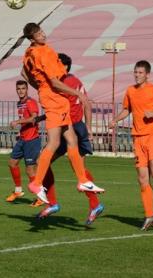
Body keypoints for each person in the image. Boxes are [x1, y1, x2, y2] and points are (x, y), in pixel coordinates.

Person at [21, 22, 104, 204]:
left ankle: (82, 181)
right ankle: (36, 183)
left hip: (54, 97)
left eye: (42, 30)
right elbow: (54, 82)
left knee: (71, 139)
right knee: (54, 142)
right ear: (32, 38)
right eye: (38, 33)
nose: (43, 34)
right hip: (54, 98)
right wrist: (77, 94)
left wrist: (40, 87)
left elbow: (24, 73)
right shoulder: (43, 53)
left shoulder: (30, 52)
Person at [36, 53, 104, 225]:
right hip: (69, 126)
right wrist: (87, 126)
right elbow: (85, 102)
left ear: (64, 66)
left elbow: (71, 105)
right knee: (49, 163)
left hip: (70, 127)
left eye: (56, 63)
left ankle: (59, 203)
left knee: (73, 168)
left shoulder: (63, 82)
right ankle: (56, 204)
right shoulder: (74, 81)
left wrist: (86, 128)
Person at [109, 60, 153, 230]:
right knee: (142, 178)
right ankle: (149, 215)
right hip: (138, 138)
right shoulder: (130, 91)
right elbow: (126, 109)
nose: (137, 75)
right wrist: (115, 120)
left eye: (140, 72)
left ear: (147, 74)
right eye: (135, 72)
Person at [6, 80, 42, 204]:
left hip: (32, 140)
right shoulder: (20, 103)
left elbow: (33, 118)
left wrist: (17, 122)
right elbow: (25, 119)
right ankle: (18, 190)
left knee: (30, 170)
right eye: (18, 89)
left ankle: (40, 198)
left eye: (23, 88)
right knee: (12, 163)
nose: (21, 91)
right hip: (23, 139)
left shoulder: (30, 102)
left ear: (27, 89)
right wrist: (20, 131)